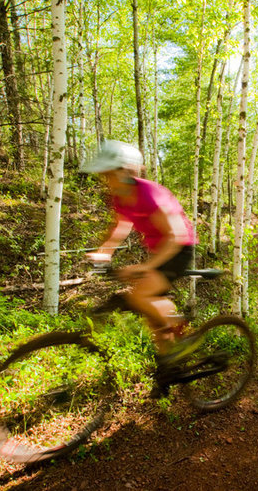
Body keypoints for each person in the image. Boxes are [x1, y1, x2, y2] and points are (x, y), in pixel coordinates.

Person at [81, 140, 197, 362]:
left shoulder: (150, 194)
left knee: (139, 296)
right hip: (159, 251)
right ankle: (169, 368)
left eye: (109, 174)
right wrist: (104, 251)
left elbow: (176, 236)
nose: (106, 180)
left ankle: (180, 327)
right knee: (153, 320)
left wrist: (144, 267)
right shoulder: (119, 197)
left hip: (179, 249)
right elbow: (120, 226)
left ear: (125, 171)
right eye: (104, 175)